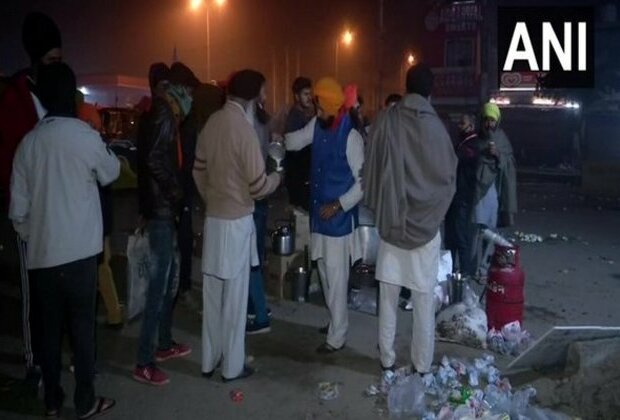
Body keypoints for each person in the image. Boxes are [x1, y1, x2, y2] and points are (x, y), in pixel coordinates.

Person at [9, 62, 118, 419]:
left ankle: (53, 401)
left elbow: (18, 210)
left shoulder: (29, 143)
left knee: (49, 333)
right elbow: (111, 171)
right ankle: (85, 402)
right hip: (81, 255)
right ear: (72, 96)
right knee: (83, 331)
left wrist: (34, 237)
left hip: (43, 257)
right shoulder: (84, 136)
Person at [363, 64, 457, 374]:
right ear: (431, 91)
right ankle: (421, 364)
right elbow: (448, 180)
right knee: (423, 302)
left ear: (406, 87)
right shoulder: (438, 131)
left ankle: (387, 360)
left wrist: (384, 204)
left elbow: (372, 165)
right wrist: (431, 213)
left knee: (388, 296)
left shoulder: (386, 120)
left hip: (391, 224)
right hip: (425, 230)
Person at [194, 69, 282, 381]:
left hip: (214, 220)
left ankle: (209, 361)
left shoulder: (213, 122)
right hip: (236, 223)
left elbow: (198, 171)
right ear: (252, 96)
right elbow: (258, 186)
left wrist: (212, 199)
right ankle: (232, 367)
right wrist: (276, 177)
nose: (265, 99)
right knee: (234, 301)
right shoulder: (243, 129)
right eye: (263, 92)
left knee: (212, 297)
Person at [0, 11, 63, 391]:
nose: (59, 66)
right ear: (37, 58)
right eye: (52, 60)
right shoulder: (17, 96)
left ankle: (52, 355)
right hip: (29, 212)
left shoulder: (56, 92)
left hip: (56, 210)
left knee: (52, 291)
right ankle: (33, 363)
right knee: (31, 293)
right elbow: (12, 159)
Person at [285, 77, 364, 354]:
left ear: (333, 107)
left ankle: (337, 336)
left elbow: (362, 182)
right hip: (320, 215)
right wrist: (272, 139)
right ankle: (334, 321)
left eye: (321, 108)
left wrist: (340, 205)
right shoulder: (317, 125)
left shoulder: (350, 136)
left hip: (339, 221)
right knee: (325, 273)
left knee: (336, 278)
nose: (316, 113)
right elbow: (295, 142)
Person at [133, 62, 199, 386]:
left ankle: (163, 344)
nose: (190, 99)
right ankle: (144, 361)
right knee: (159, 287)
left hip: (161, 209)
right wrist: (175, 194)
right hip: (161, 211)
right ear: (175, 89)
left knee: (168, 281)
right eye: (187, 91)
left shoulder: (164, 114)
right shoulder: (161, 113)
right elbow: (152, 161)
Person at [472, 103, 517, 275]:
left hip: (493, 192)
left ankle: (484, 268)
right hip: (477, 192)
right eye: (486, 119)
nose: (489, 124)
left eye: (492, 120)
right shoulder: (476, 139)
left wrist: (497, 154)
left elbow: (509, 162)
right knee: (477, 229)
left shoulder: (501, 139)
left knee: (491, 232)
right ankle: (474, 267)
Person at [246, 92, 274, 334]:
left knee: (249, 258)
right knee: (254, 256)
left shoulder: (250, 123)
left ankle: (259, 312)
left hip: (251, 197)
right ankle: (257, 307)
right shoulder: (263, 120)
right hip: (260, 195)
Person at [445, 113, 480, 277]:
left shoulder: (472, 145)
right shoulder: (463, 143)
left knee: (460, 235)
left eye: (463, 123)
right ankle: (450, 269)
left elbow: (456, 159)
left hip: (463, 195)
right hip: (454, 195)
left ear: (471, 126)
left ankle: (465, 272)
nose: (460, 126)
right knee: (451, 236)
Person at [284, 76, 315, 211]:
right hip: (298, 177)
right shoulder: (295, 117)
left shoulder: (303, 114)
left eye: (310, 94)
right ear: (297, 96)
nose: (309, 97)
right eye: (305, 94)